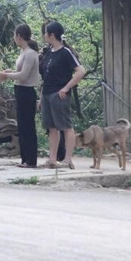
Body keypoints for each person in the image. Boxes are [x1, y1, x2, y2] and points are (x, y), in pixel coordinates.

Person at [40, 21, 86, 169]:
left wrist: (66, 88)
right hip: (47, 93)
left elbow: (80, 71)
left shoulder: (65, 52)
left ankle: (68, 159)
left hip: (59, 94)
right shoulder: (48, 52)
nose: (44, 36)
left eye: (46, 33)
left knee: (65, 126)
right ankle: (52, 158)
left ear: (52, 35)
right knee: (51, 127)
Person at [0, 24, 40, 168]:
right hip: (20, 90)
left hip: (27, 91)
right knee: (22, 126)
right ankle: (25, 158)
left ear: (19, 36)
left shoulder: (30, 53)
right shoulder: (23, 52)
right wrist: (8, 72)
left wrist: (6, 75)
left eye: (14, 36)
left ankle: (31, 159)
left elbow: (24, 75)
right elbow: (19, 72)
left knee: (28, 126)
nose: (14, 39)